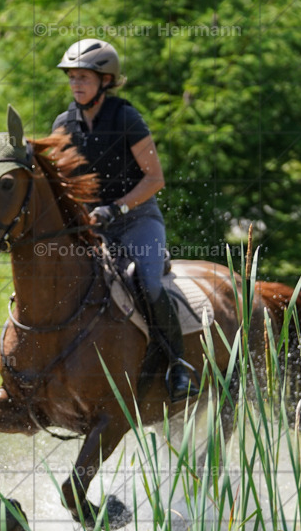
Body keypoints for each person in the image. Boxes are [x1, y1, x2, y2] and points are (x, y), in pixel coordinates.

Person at [52, 38, 195, 402]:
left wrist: (117, 208)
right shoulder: (64, 124)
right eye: (72, 78)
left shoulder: (126, 117)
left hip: (137, 220)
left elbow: (154, 178)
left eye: (84, 77)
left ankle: (179, 365)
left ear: (106, 80)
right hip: (91, 227)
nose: (76, 85)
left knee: (147, 283)